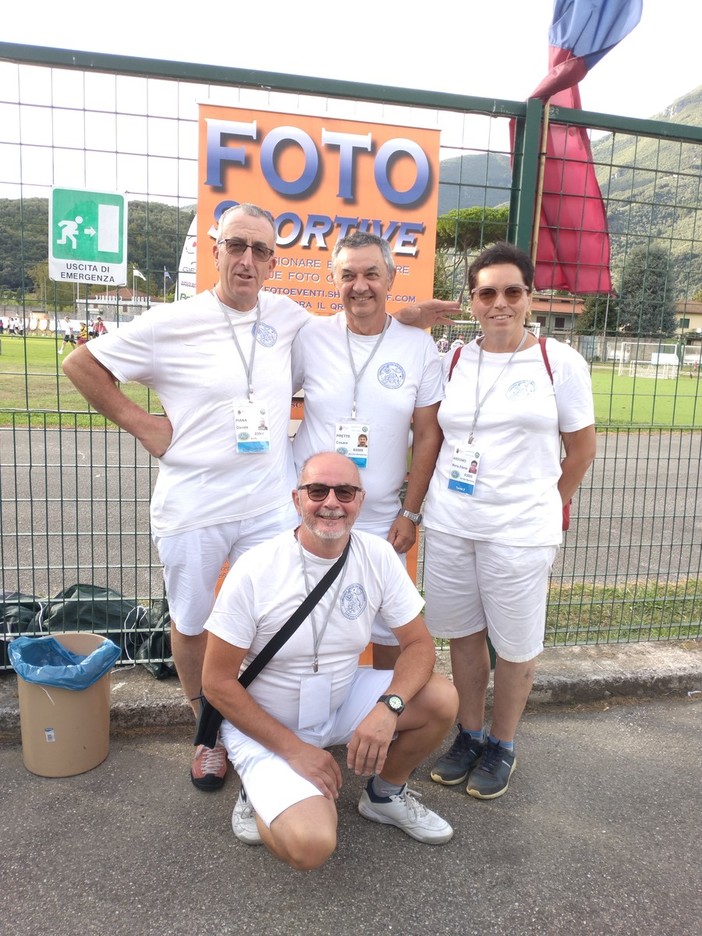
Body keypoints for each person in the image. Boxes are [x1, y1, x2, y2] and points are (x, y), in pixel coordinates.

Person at [63, 203, 459, 794]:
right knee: (194, 620)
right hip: (194, 505)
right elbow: (81, 363)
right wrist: (145, 426)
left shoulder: (285, 317)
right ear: (215, 250)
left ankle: (274, 729)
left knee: (278, 620)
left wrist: (406, 314)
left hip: (272, 502)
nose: (247, 260)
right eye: (236, 246)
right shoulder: (174, 320)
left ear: (273, 261)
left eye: (260, 251)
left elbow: (360, 318)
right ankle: (207, 731)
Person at [201, 451, 458, 869]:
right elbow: (215, 682)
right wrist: (293, 750)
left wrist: (387, 709)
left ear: (361, 499)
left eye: (345, 491)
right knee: (312, 844)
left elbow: (419, 646)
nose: (332, 502)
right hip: (266, 719)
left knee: (441, 699)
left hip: (339, 699)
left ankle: (385, 795)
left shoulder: (376, 557)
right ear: (296, 499)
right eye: (317, 490)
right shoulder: (255, 569)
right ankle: (258, 785)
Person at [424, 242, 596, 801]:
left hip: (520, 530)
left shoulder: (557, 361)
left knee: (516, 644)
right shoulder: (452, 359)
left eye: (511, 291)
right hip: (451, 521)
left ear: (530, 298)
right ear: (470, 300)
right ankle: (469, 735)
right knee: (466, 637)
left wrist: (548, 504)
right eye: (486, 292)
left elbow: (582, 450)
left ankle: (503, 743)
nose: (500, 302)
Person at [292, 232, 444, 669]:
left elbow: (428, 435)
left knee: (392, 625)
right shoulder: (310, 337)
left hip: (381, 517)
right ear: (333, 280)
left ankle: (387, 710)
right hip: (313, 509)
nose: (360, 286)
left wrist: (411, 513)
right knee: (303, 617)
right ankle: (301, 716)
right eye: (348, 275)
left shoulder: (418, 346)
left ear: (391, 279)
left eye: (371, 274)